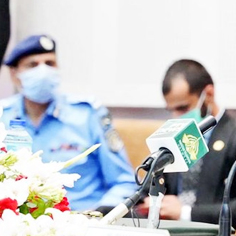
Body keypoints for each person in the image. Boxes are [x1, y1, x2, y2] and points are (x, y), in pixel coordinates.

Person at [0, 34, 137, 211]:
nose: (43, 72)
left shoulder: (88, 114)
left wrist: (98, 215)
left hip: (82, 222)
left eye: (50, 64)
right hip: (17, 225)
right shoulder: (3, 115)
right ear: (15, 74)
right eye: (33, 65)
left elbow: (124, 182)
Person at [139, 59, 236, 225]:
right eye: (171, 110)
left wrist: (184, 212)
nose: (176, 117)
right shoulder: (172, 136)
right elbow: (145, 192)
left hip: (212, 234)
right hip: (167, 230)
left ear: (208, 94)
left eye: (183, 108)